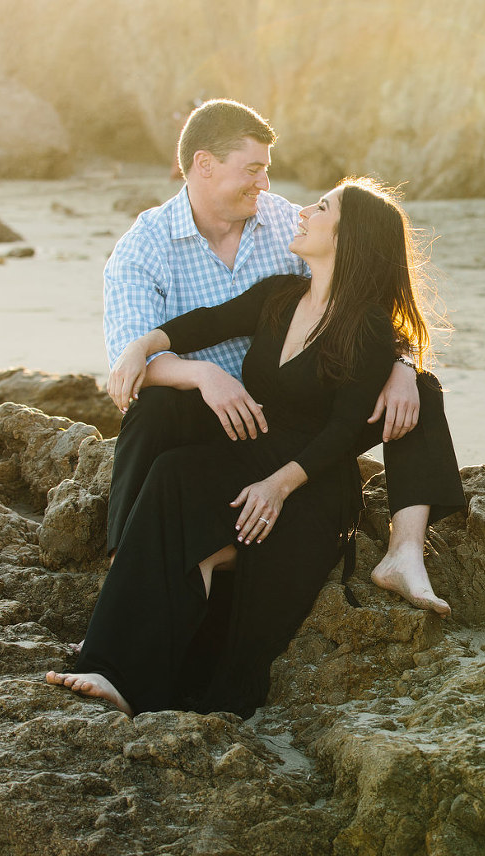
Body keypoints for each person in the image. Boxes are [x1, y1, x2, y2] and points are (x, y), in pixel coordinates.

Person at [49, 178, 458, 716]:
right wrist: (143, 346)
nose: (304, 212)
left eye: (322, 206)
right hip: (251, 451)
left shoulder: (368, 327)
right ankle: (110, 670)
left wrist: (277, 486)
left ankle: (141, 677)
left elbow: (341, 433)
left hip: (309, 480)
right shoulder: (278, 296)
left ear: (347, 236)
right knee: (173, 474)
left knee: (198, 538)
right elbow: (202, 325)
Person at [102, 98, 458, 615]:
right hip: (207, 413)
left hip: (293, 408)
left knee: (421, 390)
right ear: (204, 165)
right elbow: (131, 374)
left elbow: (360, 285)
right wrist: (202, 374)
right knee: (151, 412)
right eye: (253, 170)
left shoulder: (282, 222)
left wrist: (402, 363)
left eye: (266, 170)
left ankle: (405, 552)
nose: (264, 185)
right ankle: (124, 570)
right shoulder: (143, 249)